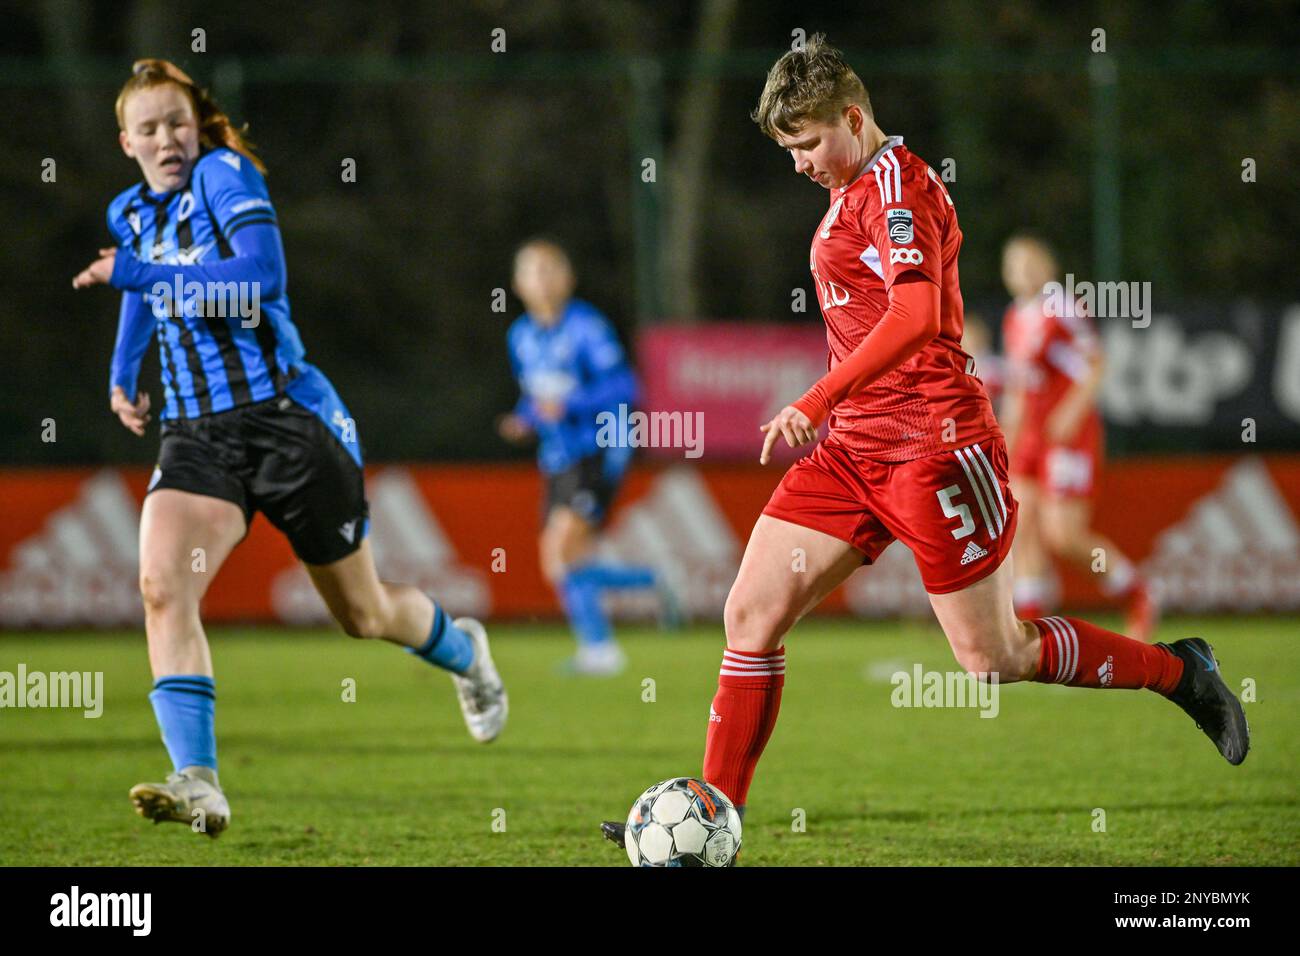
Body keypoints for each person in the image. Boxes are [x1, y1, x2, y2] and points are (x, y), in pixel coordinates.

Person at [602, 35, 1246, 850]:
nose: (798, 163)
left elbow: (915, 316)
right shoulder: (850, 192)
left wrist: (817, 394)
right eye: (786, 150)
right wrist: (837, 409)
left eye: (806, 143)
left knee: (993, 658)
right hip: (852, 452)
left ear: (853, 116)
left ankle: (1181, 672)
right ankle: (711, 820)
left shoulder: (896, 187)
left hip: (934, 447)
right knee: (750, 614)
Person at [72, 59, 506, 839]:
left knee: (364, 616)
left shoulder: (225, 176)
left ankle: (464, 652)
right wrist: (121, 373)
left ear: (197, 126)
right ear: (125, 142)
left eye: (178, 121)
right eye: (149, 128)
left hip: (288, 423)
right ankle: (199, 780)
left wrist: (134, 273)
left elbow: (259, 280)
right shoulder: (130, 213)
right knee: (162, 587)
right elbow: (141, 292)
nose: (167, 138)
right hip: (197, 436)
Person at [498, 238, 674, 676]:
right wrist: (524, 419)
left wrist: (572, 405)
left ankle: (600, 651)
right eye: (533, 271)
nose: (543, 279)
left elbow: (626, 388)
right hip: (557, 457)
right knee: (557, 563)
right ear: (518, 283)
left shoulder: (586, 327)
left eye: (551, 269)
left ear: (568, 278)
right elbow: (537, 398)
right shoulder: (520, 336)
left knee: (563, 546)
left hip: (600, 447)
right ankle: (651, 584)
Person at [999, 234, 1158, 638]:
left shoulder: (1060, 304)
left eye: (1030, 262)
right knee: (1024, 527)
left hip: (1068, 435)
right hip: (1032, 436)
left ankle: (1134, 592)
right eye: (1014, 264)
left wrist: (1072, 409)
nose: (1022, 272)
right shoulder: (1015, 318)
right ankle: (1033, 628)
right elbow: (1019, 388)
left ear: (1048, 268)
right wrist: (1007, 440)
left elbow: (1096, 360)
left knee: (1064, 536)